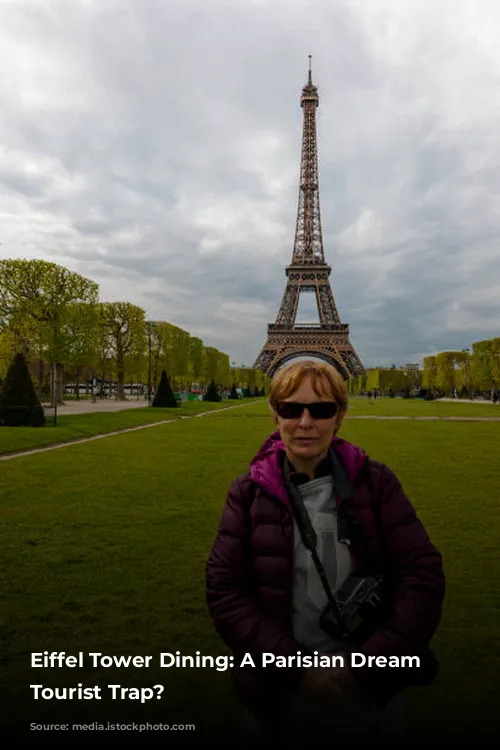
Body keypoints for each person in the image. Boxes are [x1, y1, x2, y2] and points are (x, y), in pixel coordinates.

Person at [206, 359, 445, 745]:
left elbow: (422, 577)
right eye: (290, 408)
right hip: (281, 692)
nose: (305, 422)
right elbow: (225, 592)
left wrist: (365, 668)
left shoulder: (378, 483)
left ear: (339, 416)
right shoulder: (246, 494)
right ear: (274, 414)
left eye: (321, 409)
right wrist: (297, 671)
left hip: (368, 690)